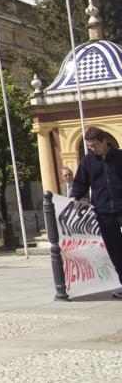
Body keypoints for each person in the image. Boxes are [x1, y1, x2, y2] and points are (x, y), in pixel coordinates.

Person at [69, 127, 122, 298]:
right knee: (115, 250)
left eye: (94, 145)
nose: (92, 149)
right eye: (89, 146)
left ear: (104, 141)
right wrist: (73, 199)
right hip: (103, 212)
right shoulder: (87, 161)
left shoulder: (119, 157)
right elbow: (79, 184)